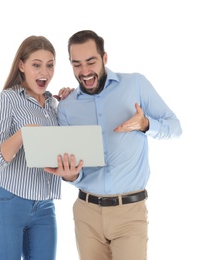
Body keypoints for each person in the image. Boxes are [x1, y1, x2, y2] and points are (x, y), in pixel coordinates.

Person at [44, 30, 182, 260]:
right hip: (86, 212)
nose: (85, 71)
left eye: (91, 62)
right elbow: (72, 165)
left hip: (129, 212)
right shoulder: (67, 107)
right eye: (77, 64)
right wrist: (69, 176)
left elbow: (175, 128)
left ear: (104, 58)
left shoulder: (135, 84)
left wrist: (146, 124)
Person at [0, 35, 72, 260]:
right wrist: (23, 134)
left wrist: (73, 102)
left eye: (50, 65)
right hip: (6, 202)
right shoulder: (7, 100)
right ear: (21, 65)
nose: (45, 73)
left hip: (44, 207)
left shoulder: (53, 105)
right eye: (36, 65)